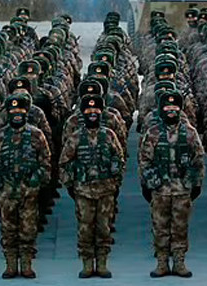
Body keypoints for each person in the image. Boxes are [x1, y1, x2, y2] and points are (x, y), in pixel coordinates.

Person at [138, 90, 205, 278]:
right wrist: (149, 184)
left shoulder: (190, 133)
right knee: (160, 228)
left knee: (180, 228)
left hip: (182, 190)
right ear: (162, 109)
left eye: (175, 106)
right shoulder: (153, 133)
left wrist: (194, 184)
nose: (171, 110)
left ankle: (179, 262)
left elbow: (198, 160)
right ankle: (162, 263)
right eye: (167, 107)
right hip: (160, 190)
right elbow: (144, 160)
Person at [59, 95, 125, 279]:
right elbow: (64, 163)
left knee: (104, 228)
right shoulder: (75, 137)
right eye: (88, 110)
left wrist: (115, 181)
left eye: (96, 110)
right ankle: (87, 264)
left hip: (106, 191)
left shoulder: (109, 135)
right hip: (83, 192)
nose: (92, 113)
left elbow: (119, 159)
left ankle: (102, 264)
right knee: (85, 229)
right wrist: (71, 185)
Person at [0, 93, 51, 279]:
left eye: (20, 110)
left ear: (26, 112)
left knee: (28, 230)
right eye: (13, 111)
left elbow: (46, 162)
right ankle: (10, 265)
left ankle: (26, 264)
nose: (17, 114)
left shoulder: (36, 135)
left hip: (28, 193)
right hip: (6, 192)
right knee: (8, 230)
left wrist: (36, 181)